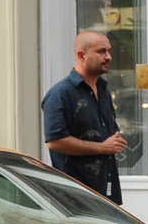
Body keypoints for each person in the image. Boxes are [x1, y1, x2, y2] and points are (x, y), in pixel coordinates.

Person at [42, 30, 128, 203]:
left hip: (106, 192)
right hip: (75, 196)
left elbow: (108, 133)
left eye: (109, 51)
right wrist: (102, 147)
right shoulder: (61, 94)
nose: (109, 57)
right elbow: (55, 141)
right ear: (81, 55)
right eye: (101, 51)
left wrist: (115, 140)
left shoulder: (103, 91)